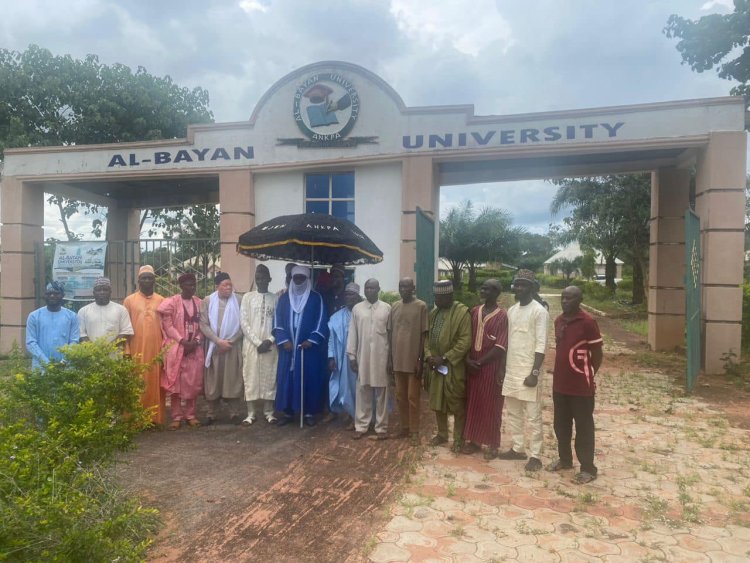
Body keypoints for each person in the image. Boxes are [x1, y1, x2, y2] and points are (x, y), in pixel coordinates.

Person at [547, 286, 603, 485]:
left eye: (569, 298)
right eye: (563, 298)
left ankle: (588, 468)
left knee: (584, 427)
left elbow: (597, 354)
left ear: (579, 300)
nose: (564, 301)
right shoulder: (558, 321)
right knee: (560, 425)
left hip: (581, 386)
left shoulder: (588, 322)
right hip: (560, 384)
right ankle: (565, 460)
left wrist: (587, 374)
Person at [498, 269, 549, 471]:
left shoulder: (539, 311)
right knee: (513, 412)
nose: (519, 288)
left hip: (529, 372)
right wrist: (502, 368)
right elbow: (507, 342)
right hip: (512, 370)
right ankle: (518, 449)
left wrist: (534, 373)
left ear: (532, 288)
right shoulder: (511, 311)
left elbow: (541, 344)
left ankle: (536, 455)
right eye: (517, 284)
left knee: (534, 416)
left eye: (523, 285)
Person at [273, 265, 329, 427]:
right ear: (291, 279)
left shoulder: (315, 298)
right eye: (295, 277)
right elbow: (277, 322)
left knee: (308, 379)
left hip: (307, 350)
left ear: (307, 279)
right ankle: (288, 412)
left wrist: (311, 340)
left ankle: (309, 412)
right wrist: (284, 341)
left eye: (302, 278)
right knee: (287, 380)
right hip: (288, 349)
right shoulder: (284, 299)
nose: (298, 281)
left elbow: (321, 321)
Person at [463, 279, 508, 460]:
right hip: (472, 366)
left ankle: (493, 443)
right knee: (473, 403)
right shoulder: (475, 311)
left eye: (487, 289)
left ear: (496, 292)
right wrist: (467, 360)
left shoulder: (502, 316)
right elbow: (466, 338)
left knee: (492, 405)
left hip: (490, 367)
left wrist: (479, 363)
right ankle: (474, 440)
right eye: (482, 287)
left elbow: (500, 346)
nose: (482, 290)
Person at [424, 279, 471, 453]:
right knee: (437, 401)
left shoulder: (462, 313)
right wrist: (429, 357)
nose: (436, 301)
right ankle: (442, 434)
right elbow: (427, 338)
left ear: (449, 296)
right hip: (436, 367)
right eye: (435, 297)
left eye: (438, 297)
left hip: (453, 366)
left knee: (456, 402)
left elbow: (465, 341)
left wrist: (444, 357)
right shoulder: (434, 314)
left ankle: (459, 439)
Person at [158, 273, 205, 430]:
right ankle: (176, 417)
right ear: (181, 286)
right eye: (189, 285)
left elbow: (204, 325)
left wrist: (196, 341)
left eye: (194, 285)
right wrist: (182, 341)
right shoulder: (171, 303)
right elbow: (168, 326)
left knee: (192, 383)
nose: (192, 288)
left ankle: (191, 415)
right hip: (177, 348)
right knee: (176, 384)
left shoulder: (199, 303)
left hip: (195, 349)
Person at [348, 279, 391, 440]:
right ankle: (361, 425)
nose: (369, 290)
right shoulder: (357, 309)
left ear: (378, 289)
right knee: (363, 390)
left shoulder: (387, 308)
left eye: (372, 288)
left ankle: (381, 427)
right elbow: (353, 334)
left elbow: (390, 335)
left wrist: (390, 359)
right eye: (367, 288)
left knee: (382, 392)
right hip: (363, 356)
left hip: (382, 357)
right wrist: (352, 356)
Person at [123, 265, 167, 426]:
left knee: (155, 383)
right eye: (144, 278)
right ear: (138, 280)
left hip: (156, 350)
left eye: (150, 278)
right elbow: (124, 329)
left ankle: (155, 419)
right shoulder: (129, 300)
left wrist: (165, 352)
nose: (147, 280)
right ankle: (134, 420)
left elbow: (166, 328)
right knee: (136, 383)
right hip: (136, 350)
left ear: (154, 280)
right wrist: (126, 351)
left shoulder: (161, 300)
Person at [387, 277, 428, 446]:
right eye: (400, 286)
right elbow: (390, 334)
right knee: (399, 396)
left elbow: (423, 335)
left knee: (413, 397)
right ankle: (404, 427)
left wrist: (420, 359)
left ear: (413, 288)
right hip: (397, 360)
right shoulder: (394, 307)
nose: (403, 289)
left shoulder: (421, 306)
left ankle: (414, 430)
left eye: (406, 286)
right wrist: (390, 359)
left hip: (413, 361)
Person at [200, 272, 244, 425]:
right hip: (214, 347)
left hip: (232, 347)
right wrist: (218, 341)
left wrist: (229, 342)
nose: (228, 288)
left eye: (230, 285)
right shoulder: (207, 301)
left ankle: (234, 413)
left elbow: (243, 325)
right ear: (216, 286)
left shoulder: (239, 300)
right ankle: (211, 413)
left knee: (232, 379)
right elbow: (203, 324)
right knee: (213, 381)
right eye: (225, 285)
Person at [240, 264, 279, 425]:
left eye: (264, 278)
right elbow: (244, 322)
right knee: (251, 375)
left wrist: (269, 340)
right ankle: (251, 413)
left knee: (270, 376)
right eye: (258, 278)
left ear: (269, 279)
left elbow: (279, 323)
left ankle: (269, 412)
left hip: (270, 344)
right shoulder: (247, 297)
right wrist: (257, 342)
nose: (261, 281)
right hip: (252, 345)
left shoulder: (275, 298)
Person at [327, 282, 362, 428]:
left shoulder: (362, 313)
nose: (349, 297)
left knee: (358, 387)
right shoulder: (336, 317)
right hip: (342, 358)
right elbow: (331, 339)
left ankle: (358, 418)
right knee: (345, 387)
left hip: (360, 357)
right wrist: (331, 357)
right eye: (347, 294)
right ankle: (349, 413)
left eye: (352, 294)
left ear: (358, 296)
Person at [26, 281, 79, 371]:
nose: (52, 296)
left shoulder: (72, 316)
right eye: (49, 293)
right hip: (41, 368)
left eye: (56, 293)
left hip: (65, 367)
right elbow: (30, 343)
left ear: (63, 295)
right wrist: (46, 363)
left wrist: (64, 361)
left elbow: (74, 341)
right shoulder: (34, 316)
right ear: (45, 295)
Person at [78, 277, 134, 346]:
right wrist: (94, 350)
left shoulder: (121, 310)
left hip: (114, 354)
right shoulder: (83, 311)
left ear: (110, 291)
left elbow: (126, 331)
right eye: (98, 290)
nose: (102, 292)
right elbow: (81, 334)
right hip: (90, 354)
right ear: (94, 293)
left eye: (105, 289)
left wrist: (109, 348)